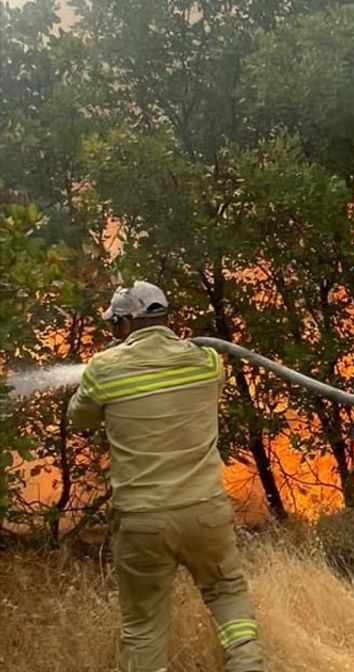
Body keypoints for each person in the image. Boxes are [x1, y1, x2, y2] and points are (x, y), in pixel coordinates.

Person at [68, 281, 265, 672]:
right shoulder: (207, 362)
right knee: (226, 594)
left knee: (142, 624)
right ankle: (248, 665)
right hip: (204, 512)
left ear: (125, 323)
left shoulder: (104, 369)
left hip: (143, 519)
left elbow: (80, 417)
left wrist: (107, 363)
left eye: (114, 324)